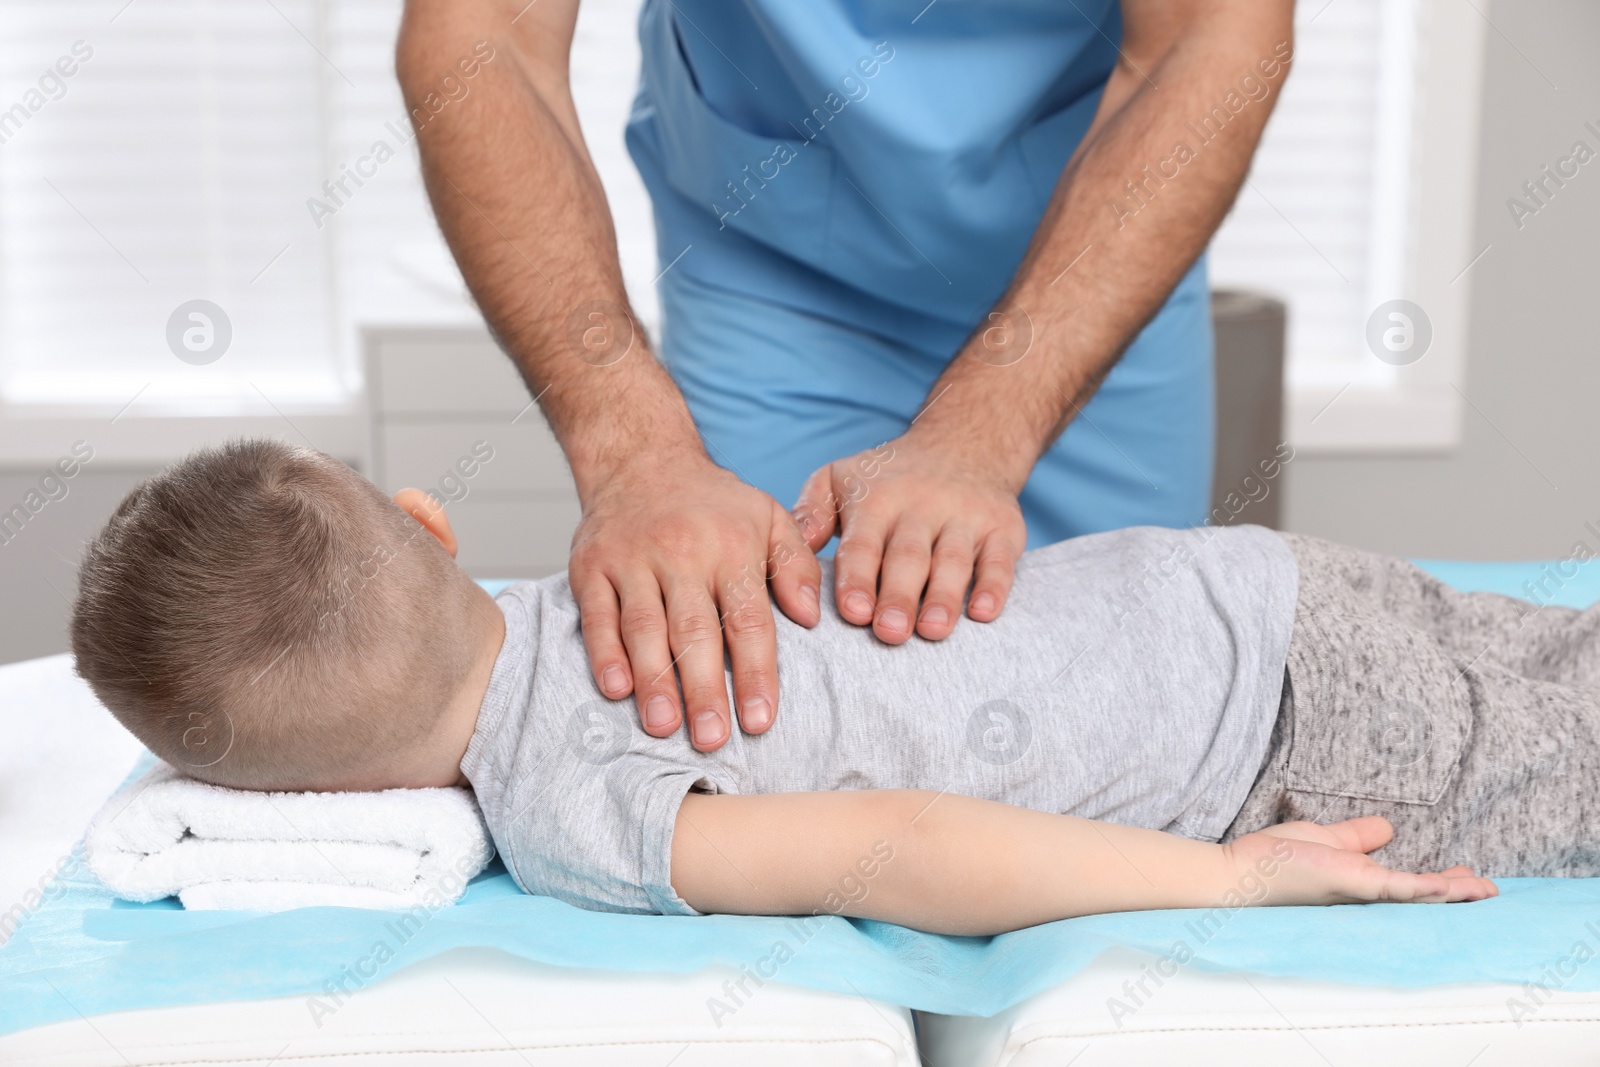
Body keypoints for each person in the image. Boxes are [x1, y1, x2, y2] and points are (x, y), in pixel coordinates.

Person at [94, 444, 1600, 930]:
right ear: (430, 528)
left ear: (324, 803)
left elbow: (910, 840)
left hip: (1292, 740)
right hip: (1235, 583)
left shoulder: (573, 812)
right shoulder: (623, 573)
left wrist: (1227, 881)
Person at [395, 0, 1297, 751]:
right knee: (754, 730)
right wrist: (634, 454)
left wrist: (985, 428)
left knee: (1134, 726)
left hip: (1086, 244)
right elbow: (484, 40)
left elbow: (1208, 39)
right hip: (777, 249)